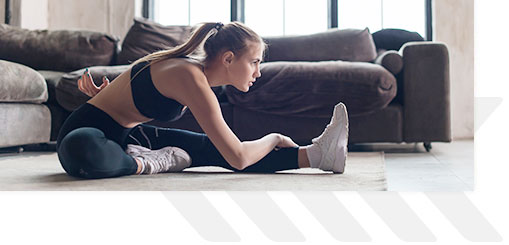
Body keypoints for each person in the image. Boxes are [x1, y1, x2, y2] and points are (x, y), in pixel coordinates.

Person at [57, 21, 349, 179]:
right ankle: (147, 164)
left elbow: (234, 154)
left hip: (128, 138)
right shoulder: (190, 77)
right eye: (255, 62)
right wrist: (273, 137)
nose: (258, 72)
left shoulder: (191, 73)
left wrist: (104, 95)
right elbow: (240, 158)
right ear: (229, 58)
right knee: (82, 149)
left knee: (209, 149)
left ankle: (317, 154)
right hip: (86, 137)